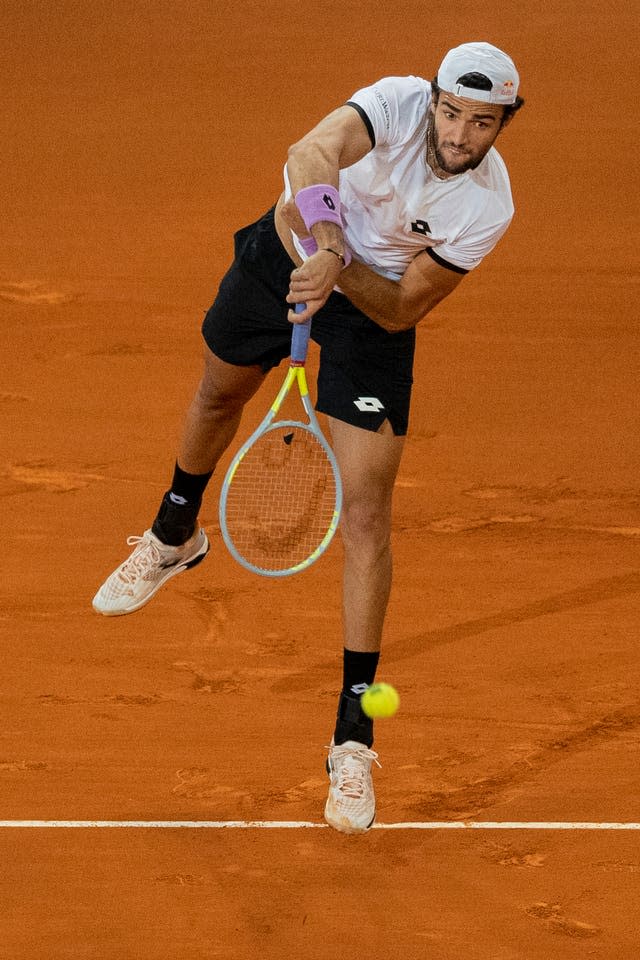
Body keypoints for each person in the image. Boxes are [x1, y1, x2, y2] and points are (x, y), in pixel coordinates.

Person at [93, 41, 524, 834]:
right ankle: (173, 532)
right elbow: (311, 153)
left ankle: (353, 738)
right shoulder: (394, 103)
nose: (462, 134)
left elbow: (400, 309)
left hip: (370, 316)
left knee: (365, 515)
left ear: (504, 125)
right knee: (218, 395)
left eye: (483, 123)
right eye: (455, 113)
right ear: (434, 100)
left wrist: (341, 269)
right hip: (285, 257)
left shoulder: (488, 207)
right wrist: (326, 246)